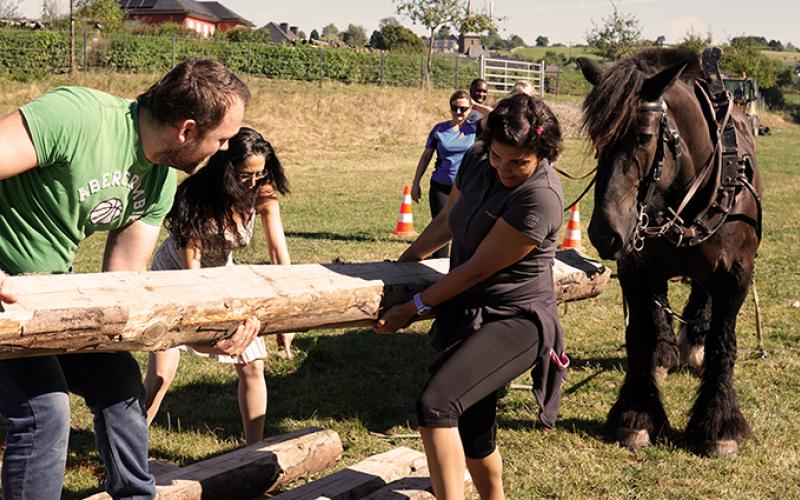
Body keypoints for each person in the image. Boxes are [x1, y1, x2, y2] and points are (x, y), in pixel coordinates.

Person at [0, 59, 259, 499]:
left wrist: (199, 337)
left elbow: (121, 294)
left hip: (46, 293)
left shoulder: (158, 184)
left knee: (119, 380)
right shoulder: (77, 118)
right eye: (222, 139)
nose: (223, 150)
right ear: (188, 130)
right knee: (46, 411)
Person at [375, 93, 568, 499]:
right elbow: (447, 220)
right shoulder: (478, 160)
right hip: (468, 310)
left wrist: (414, 306)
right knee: (475, 429)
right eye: (499, 157)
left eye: (519, 162)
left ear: (542, 155)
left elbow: (478, 268)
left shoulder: (540, 197)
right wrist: (401, 266)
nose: (505, 169)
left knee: (437, 406)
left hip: (516, 319)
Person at [144, 127, 291, 445]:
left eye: (259, 174)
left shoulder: (263, 195)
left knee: (253, 363)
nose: (252, 183)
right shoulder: (199, 196)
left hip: (222, 275)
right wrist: (202, 328)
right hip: (176, 276)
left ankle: (254, 455)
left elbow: (278, 252)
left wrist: (288, 309)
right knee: (160, 375)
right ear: (225, 169)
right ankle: (128, 453)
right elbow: (191, 266)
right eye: (244, 176)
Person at [410, 90, 478, 258]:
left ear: (470, 109)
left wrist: (476, 105)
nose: (459, 112)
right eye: (455, 108)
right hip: (441, 186)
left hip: (466, 188)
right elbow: (426, 156)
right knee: (441, 229)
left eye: (463, 108)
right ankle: (436, 269)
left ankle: (460, 268)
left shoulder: (475, 129)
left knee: (464, 228)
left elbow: (493, 115)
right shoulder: (439, 130)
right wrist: (416, 182)